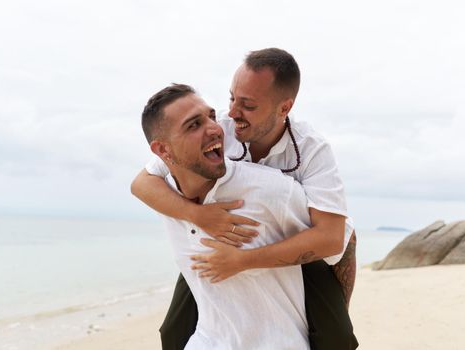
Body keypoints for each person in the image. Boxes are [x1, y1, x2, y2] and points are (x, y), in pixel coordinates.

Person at [132, 48, 358, 349]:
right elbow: (142, 183)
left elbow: (330, 238)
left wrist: (244, 262)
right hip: (230, 236)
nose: (233, 112)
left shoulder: (312, 149)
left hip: (303, 245)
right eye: (231, 98)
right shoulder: (219, 128)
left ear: (284, 108)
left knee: (336, 339)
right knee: (173, 333)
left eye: (248, 105)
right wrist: (197, 215)